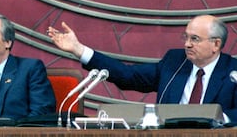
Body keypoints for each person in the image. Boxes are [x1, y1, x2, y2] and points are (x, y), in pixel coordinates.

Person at [47, 15, 237, 123]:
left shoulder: (232, 72)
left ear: (216, 44)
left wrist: (218, 117)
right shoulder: (174, 62)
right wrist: (79, 50)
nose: (187, 44)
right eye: (186, 37)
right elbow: (128, 76)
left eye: (194, 39)